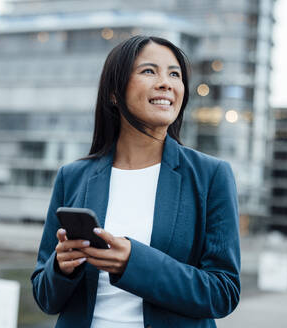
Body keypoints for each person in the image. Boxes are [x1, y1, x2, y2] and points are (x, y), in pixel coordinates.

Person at [30, 35, 240, 328]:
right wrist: (60, 267)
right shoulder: (73, 176)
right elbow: (44, 297)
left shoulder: (211, 175)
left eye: (175, 74)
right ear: (115, 93)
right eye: (149, 71)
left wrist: (134, 263)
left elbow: (223, 292)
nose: (166, 82)